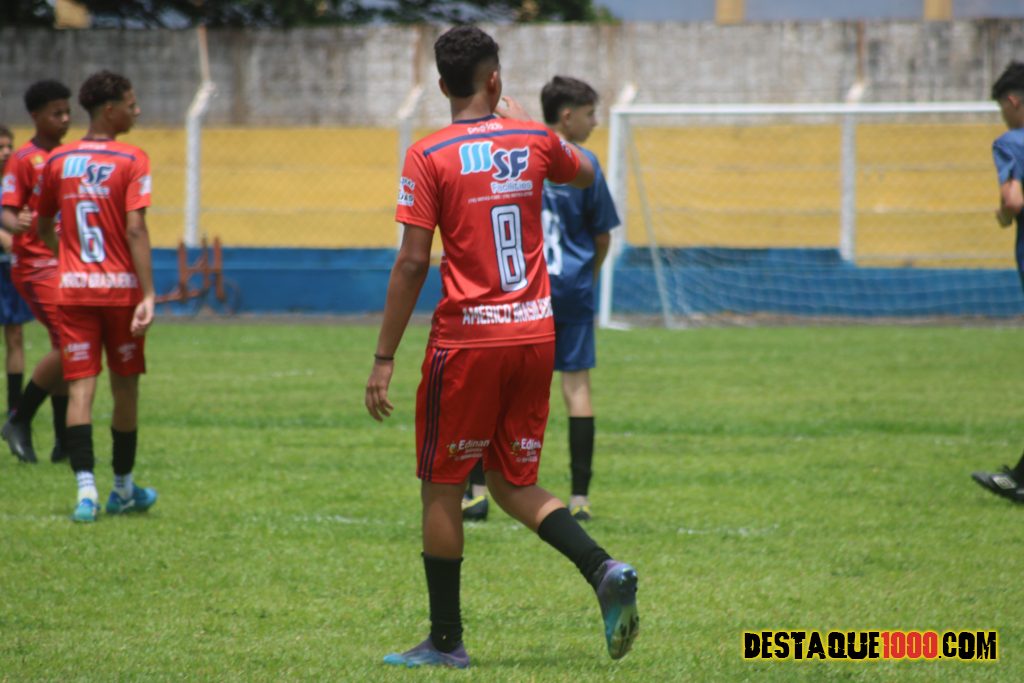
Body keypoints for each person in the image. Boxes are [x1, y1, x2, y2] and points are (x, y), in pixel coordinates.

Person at [364, 25, 639, 668]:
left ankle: (445, 643)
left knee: (442, 486)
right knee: (513, 483)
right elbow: (586, 170)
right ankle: (602, 569)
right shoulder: (534, 139)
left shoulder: (428, 154)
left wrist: (383, 356)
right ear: (495, 80)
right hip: (535, 335)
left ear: (441, 86)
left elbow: (412, 262)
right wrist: (525, 128)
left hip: (468, 343)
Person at [35, 70, 157, 523]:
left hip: (72, 291)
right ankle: (122, 488)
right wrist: (149, 293)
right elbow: (135, 229)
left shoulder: (58, 160)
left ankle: (85, 492)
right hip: (120, 293)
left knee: (81, 388)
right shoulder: (132, 158)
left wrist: (66, 260)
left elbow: (43, 225)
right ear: (110, 110)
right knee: (125, 386)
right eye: (131, 103)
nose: (136, 111)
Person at [0, 81, 74, 465]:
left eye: (67, 112)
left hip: (63, 263)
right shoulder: (23, 159)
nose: (65, 119)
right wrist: (16, 223)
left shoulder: (67, 157)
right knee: (70, 343)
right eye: (56, 113)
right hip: (34, 266)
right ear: (36, 116)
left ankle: (63, 441)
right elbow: (8, 210)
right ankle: (19, 418)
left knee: (65, 347)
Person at [972, 61, 1024, 503]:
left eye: (1002, 109)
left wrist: (1003, 215)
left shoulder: (1012, 142)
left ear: (1013, 101)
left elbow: (1013, 200)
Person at [0, 124, 37, 451]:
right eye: (0, 147)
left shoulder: (17, 182)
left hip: (9, 270)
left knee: (15, 335)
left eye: (9, 146)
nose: (6, 152)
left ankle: (14, 408)